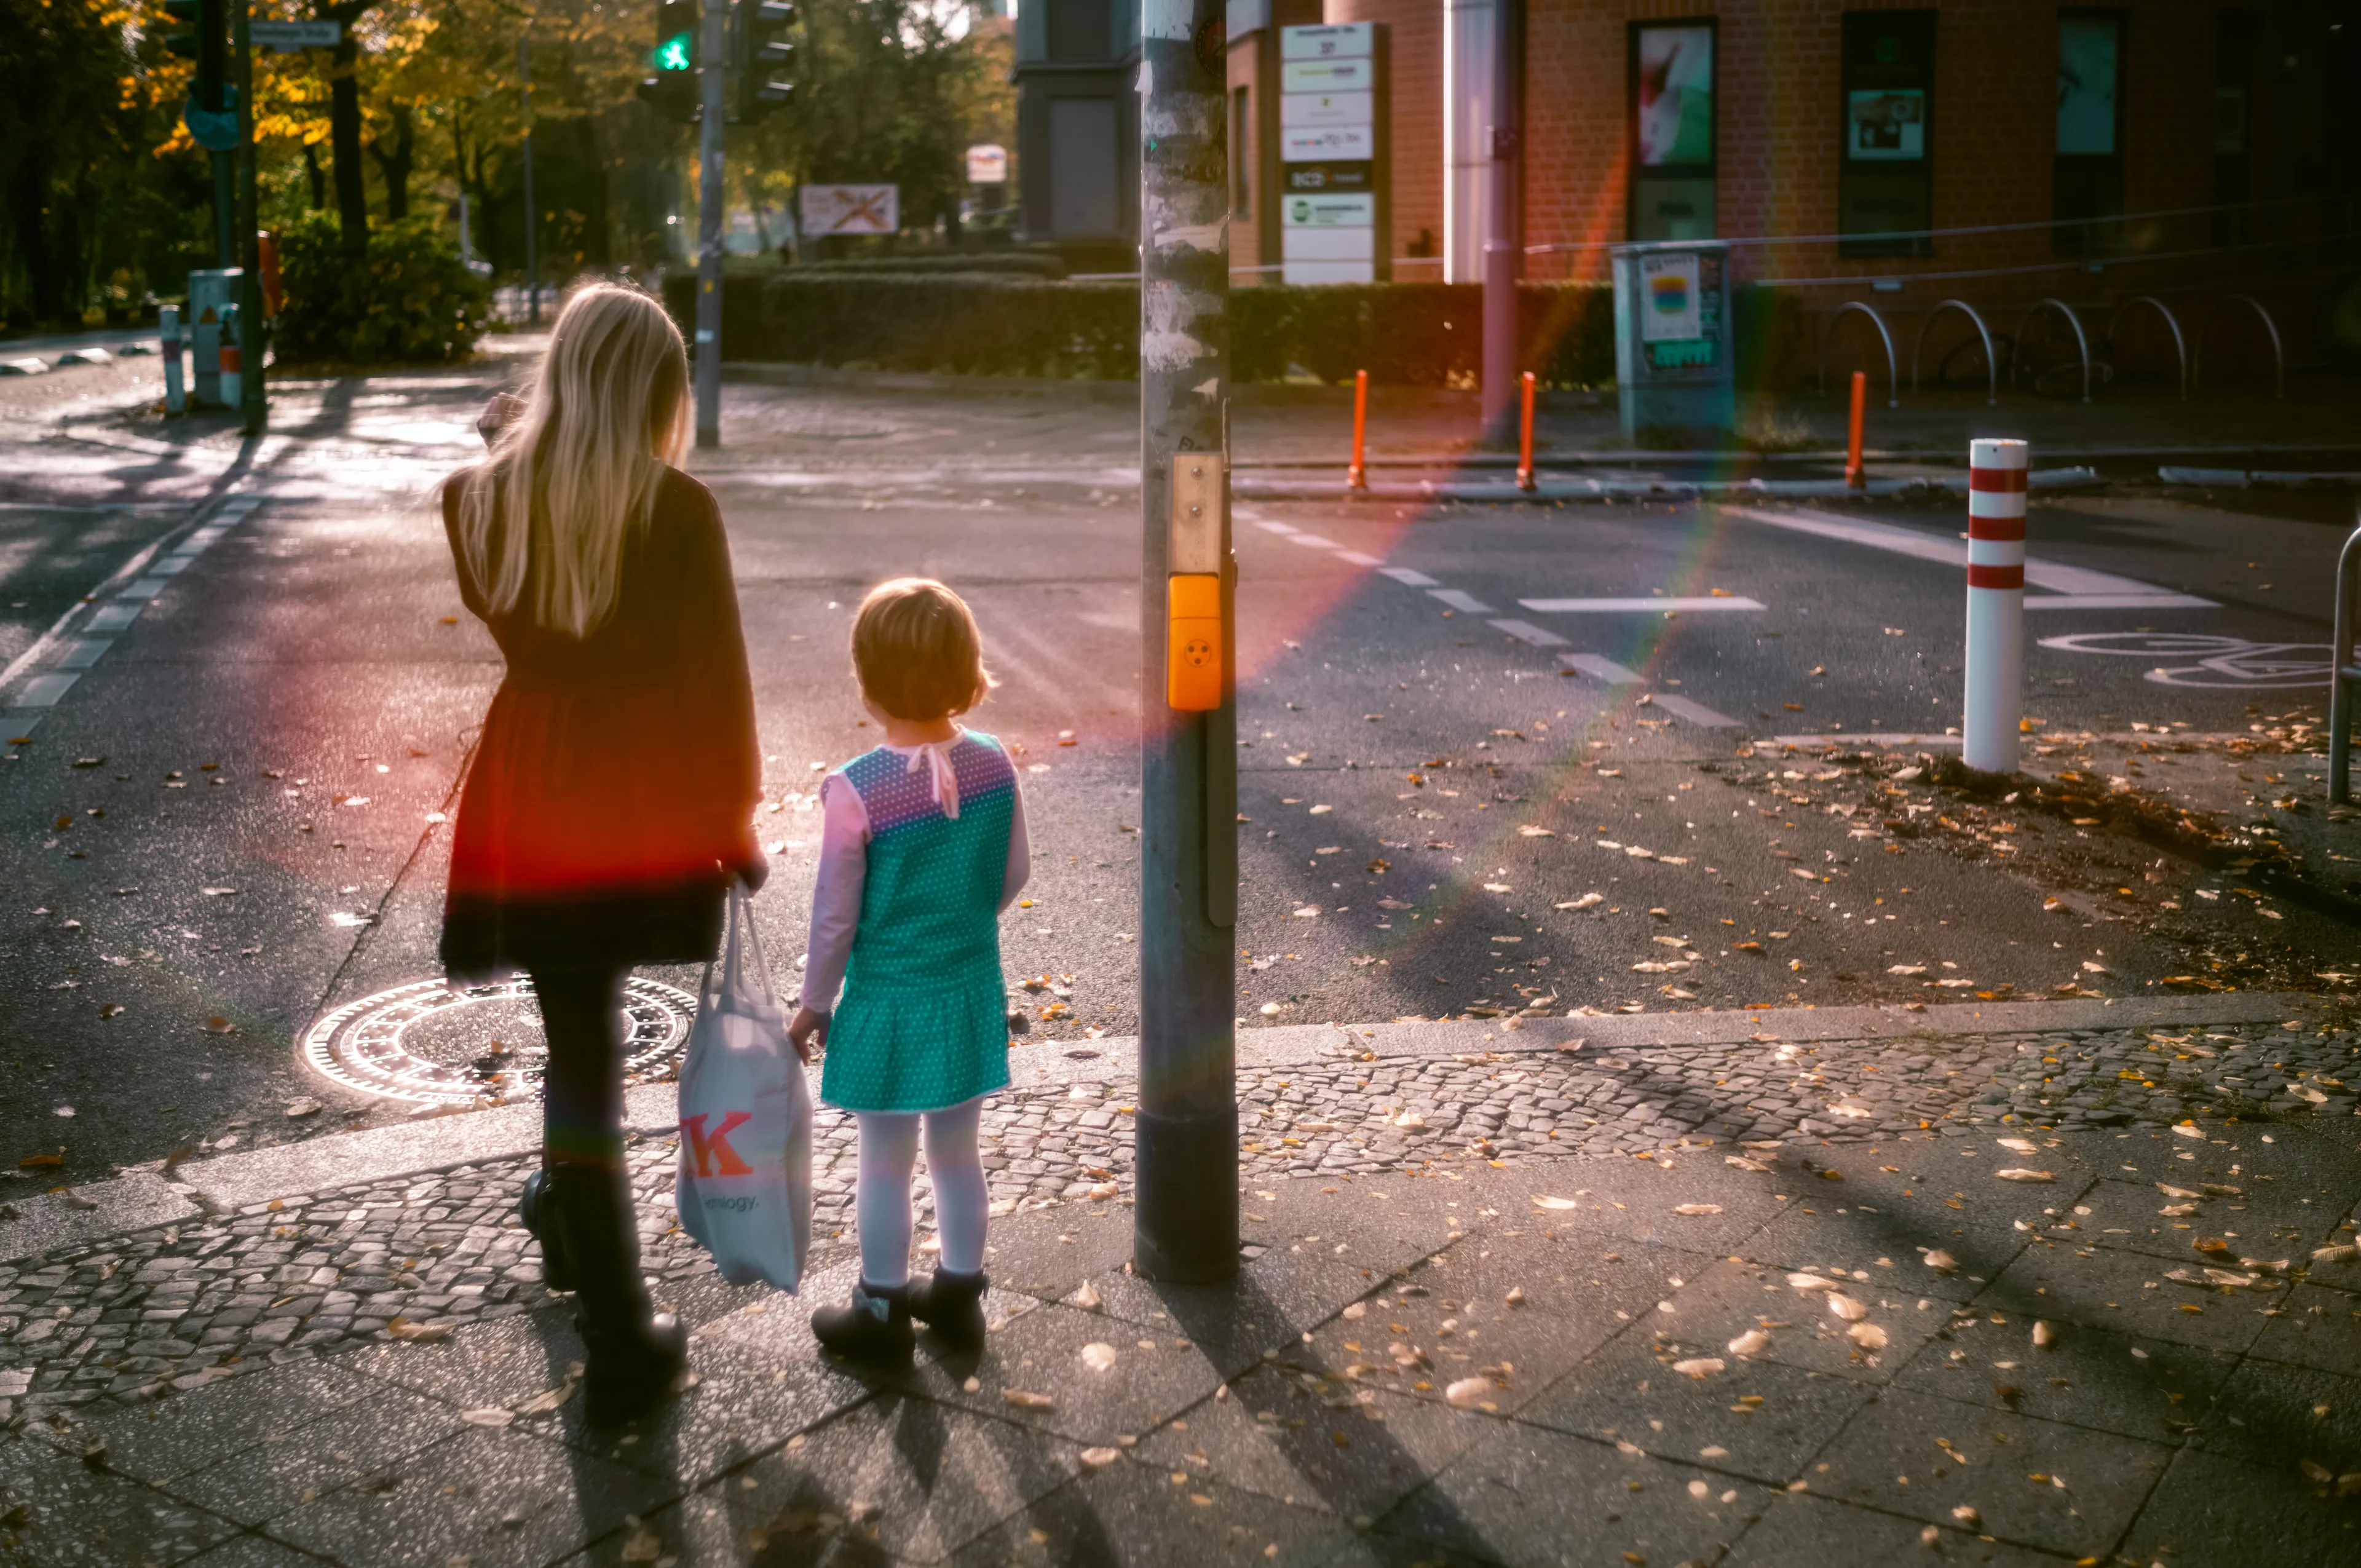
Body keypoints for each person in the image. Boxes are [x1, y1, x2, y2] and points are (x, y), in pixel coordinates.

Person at [440, 284, 764, 1423]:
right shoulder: (676, 511)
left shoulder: (475, 503)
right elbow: (715, 689)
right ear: (660, 393)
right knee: (604, 1060)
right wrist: (731, 821)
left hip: (530, 787)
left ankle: (581, 1243)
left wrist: (508, 431)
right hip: (636, 795)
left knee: (577, 1048)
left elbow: (504, 491)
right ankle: (616, 1318)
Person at [791, 579, 1028, 1363]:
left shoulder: (857, 789)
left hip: (888, 1001)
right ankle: (959, 1296)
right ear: (967, 666)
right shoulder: (995, 764)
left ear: (868, 677)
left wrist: (813, 1004)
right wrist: (961, 922)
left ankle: (883, 1310)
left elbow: (836, 915)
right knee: (958, 1154)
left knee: (884, 1162)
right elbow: (1012, 875)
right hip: (966, 986)